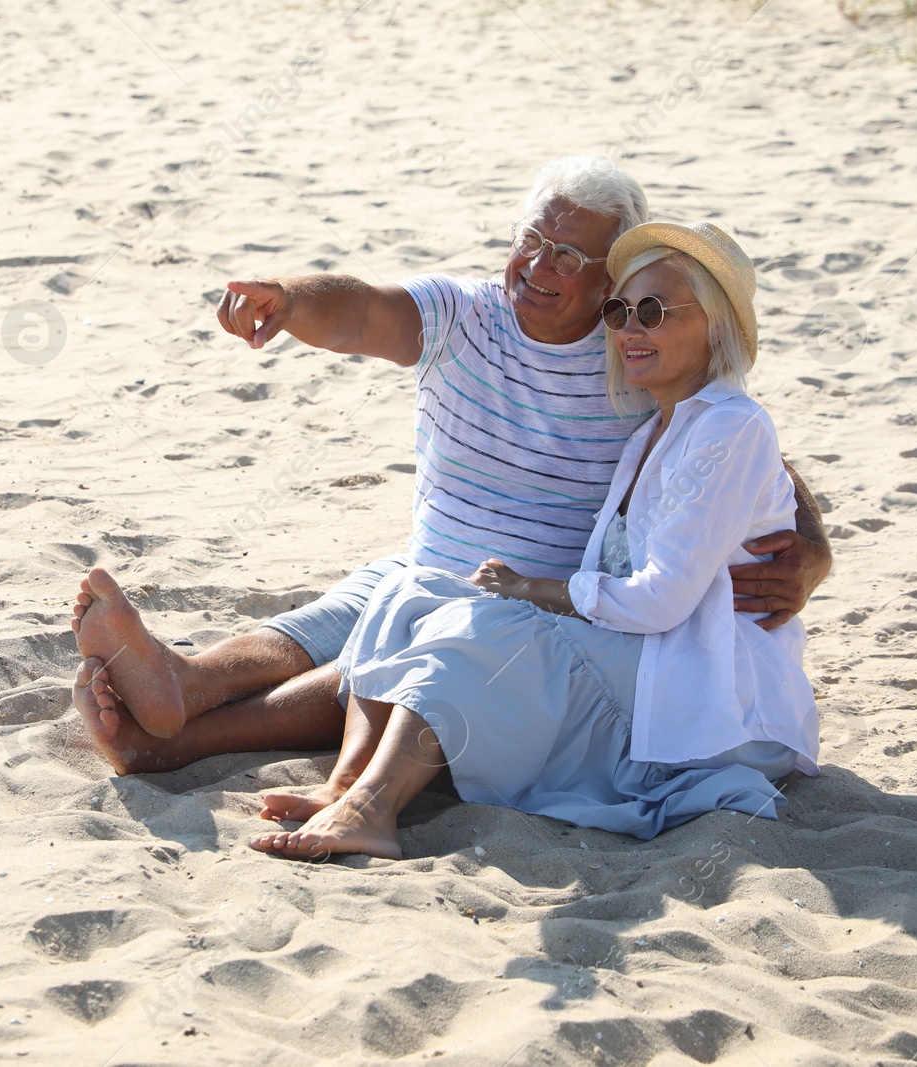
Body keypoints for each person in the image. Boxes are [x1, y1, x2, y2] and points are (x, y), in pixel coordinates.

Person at [70, 157, 830, 780]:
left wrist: (812, 554)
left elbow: (744, 456)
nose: (537, 265)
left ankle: (176, 742)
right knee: (361, 602)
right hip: (427, 563)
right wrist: (288, 300)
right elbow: (363, 312)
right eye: (532, 238)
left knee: (417, 640)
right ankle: (188, 682)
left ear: (609, 281)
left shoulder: (635, 348)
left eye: (568, 257)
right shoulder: (465, 315)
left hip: (529, 608)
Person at [249, 220, 819, 857]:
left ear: (715, 326)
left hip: (712, 697)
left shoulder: (732, 426)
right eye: (619, 310)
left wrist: (533, 590)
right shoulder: (646, 436)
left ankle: (372, 810)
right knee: (413, 591)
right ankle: (346, 784)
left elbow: (663, 601)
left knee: (487, 625)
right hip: (646, 661)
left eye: (654, 311)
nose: (630, 328)